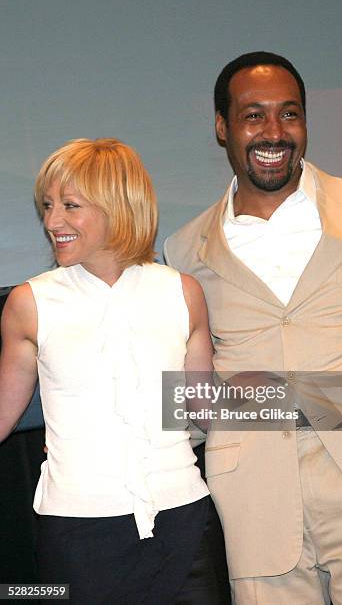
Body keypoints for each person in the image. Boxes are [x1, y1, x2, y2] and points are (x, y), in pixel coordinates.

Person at [164, 52, 342, 604]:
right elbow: (189, 396)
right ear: (223, 128)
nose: (273, 132)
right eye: (253, 116)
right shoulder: (182, 251)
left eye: (289, 114)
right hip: (257, 505)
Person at [0, 138, 214, 604]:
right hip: (76, 537)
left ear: (118, 207)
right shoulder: (30, 303)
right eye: (48, 205)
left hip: (183, 522)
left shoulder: (181, 292)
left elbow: (199, 406)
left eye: (70, 206)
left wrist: (335, 401)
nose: (52, 222)